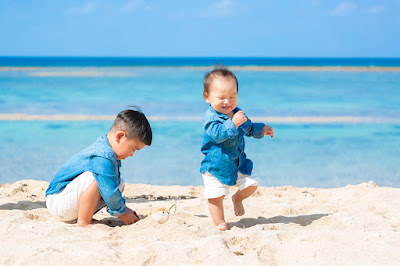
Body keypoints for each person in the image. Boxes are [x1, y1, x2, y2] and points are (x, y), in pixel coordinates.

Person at [46, 108, 152, 228]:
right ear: (120, 136)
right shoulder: (102, 155)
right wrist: (122, 213)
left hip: (69, 205)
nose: (132, 154)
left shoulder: (110, 152)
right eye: (133, 149)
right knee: (97, 177)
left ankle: (83, 216)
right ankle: (83, 222)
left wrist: (124, 208)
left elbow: (111, 189)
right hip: (58, 203)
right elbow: (109, 192)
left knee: (119, 183)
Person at [200, 66, 274, 231]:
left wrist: (261, 129)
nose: (227, 102)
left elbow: (248, 128)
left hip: (238, 163)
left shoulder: (237, 112)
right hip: (215, 167)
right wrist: (233, 123)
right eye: (221, 97)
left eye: (232, 97)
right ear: (207, 97)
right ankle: (220, 222)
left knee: (252, 183)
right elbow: (217, 134)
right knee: (215, 196)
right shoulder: (210, 118)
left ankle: (237, 199)